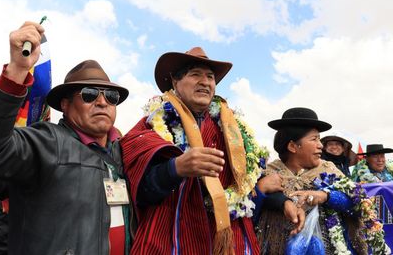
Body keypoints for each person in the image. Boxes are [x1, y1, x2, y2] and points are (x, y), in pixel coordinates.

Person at [120, 47, 304, 254]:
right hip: (171, 239)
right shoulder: (152, 125)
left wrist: (284, 202)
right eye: (195, 74)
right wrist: (175, 168)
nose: (205, 82)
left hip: (229, 240)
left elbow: (251, 183)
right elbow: (137, 189)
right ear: (175, 82)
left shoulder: (233, 129)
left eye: (210, 77)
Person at [0, 22, 133, 255]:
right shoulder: (47, 142)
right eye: (89, 94)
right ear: (65, 105)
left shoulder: (121, 152)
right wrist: (17, 70)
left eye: (111, 96)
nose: (102, 102)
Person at [256, 107, 385, 254]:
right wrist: (263, 191)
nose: (321, 145)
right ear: (293, 146)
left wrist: (325, 196)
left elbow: (357, 204)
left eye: (319, 138)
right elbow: (250, 214)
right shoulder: (268, 174)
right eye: (314, 139)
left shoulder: (328, 170)